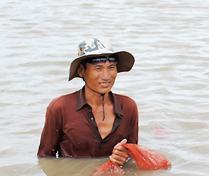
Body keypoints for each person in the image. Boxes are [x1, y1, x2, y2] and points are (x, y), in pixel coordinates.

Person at [38, 38, 138, 166]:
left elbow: (134, 156)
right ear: (81, 71)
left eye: (111, 67)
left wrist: (124, 157)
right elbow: (45, 159)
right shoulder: (60, 107)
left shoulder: (129, 107)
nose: (106, 76)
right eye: (98, 68)